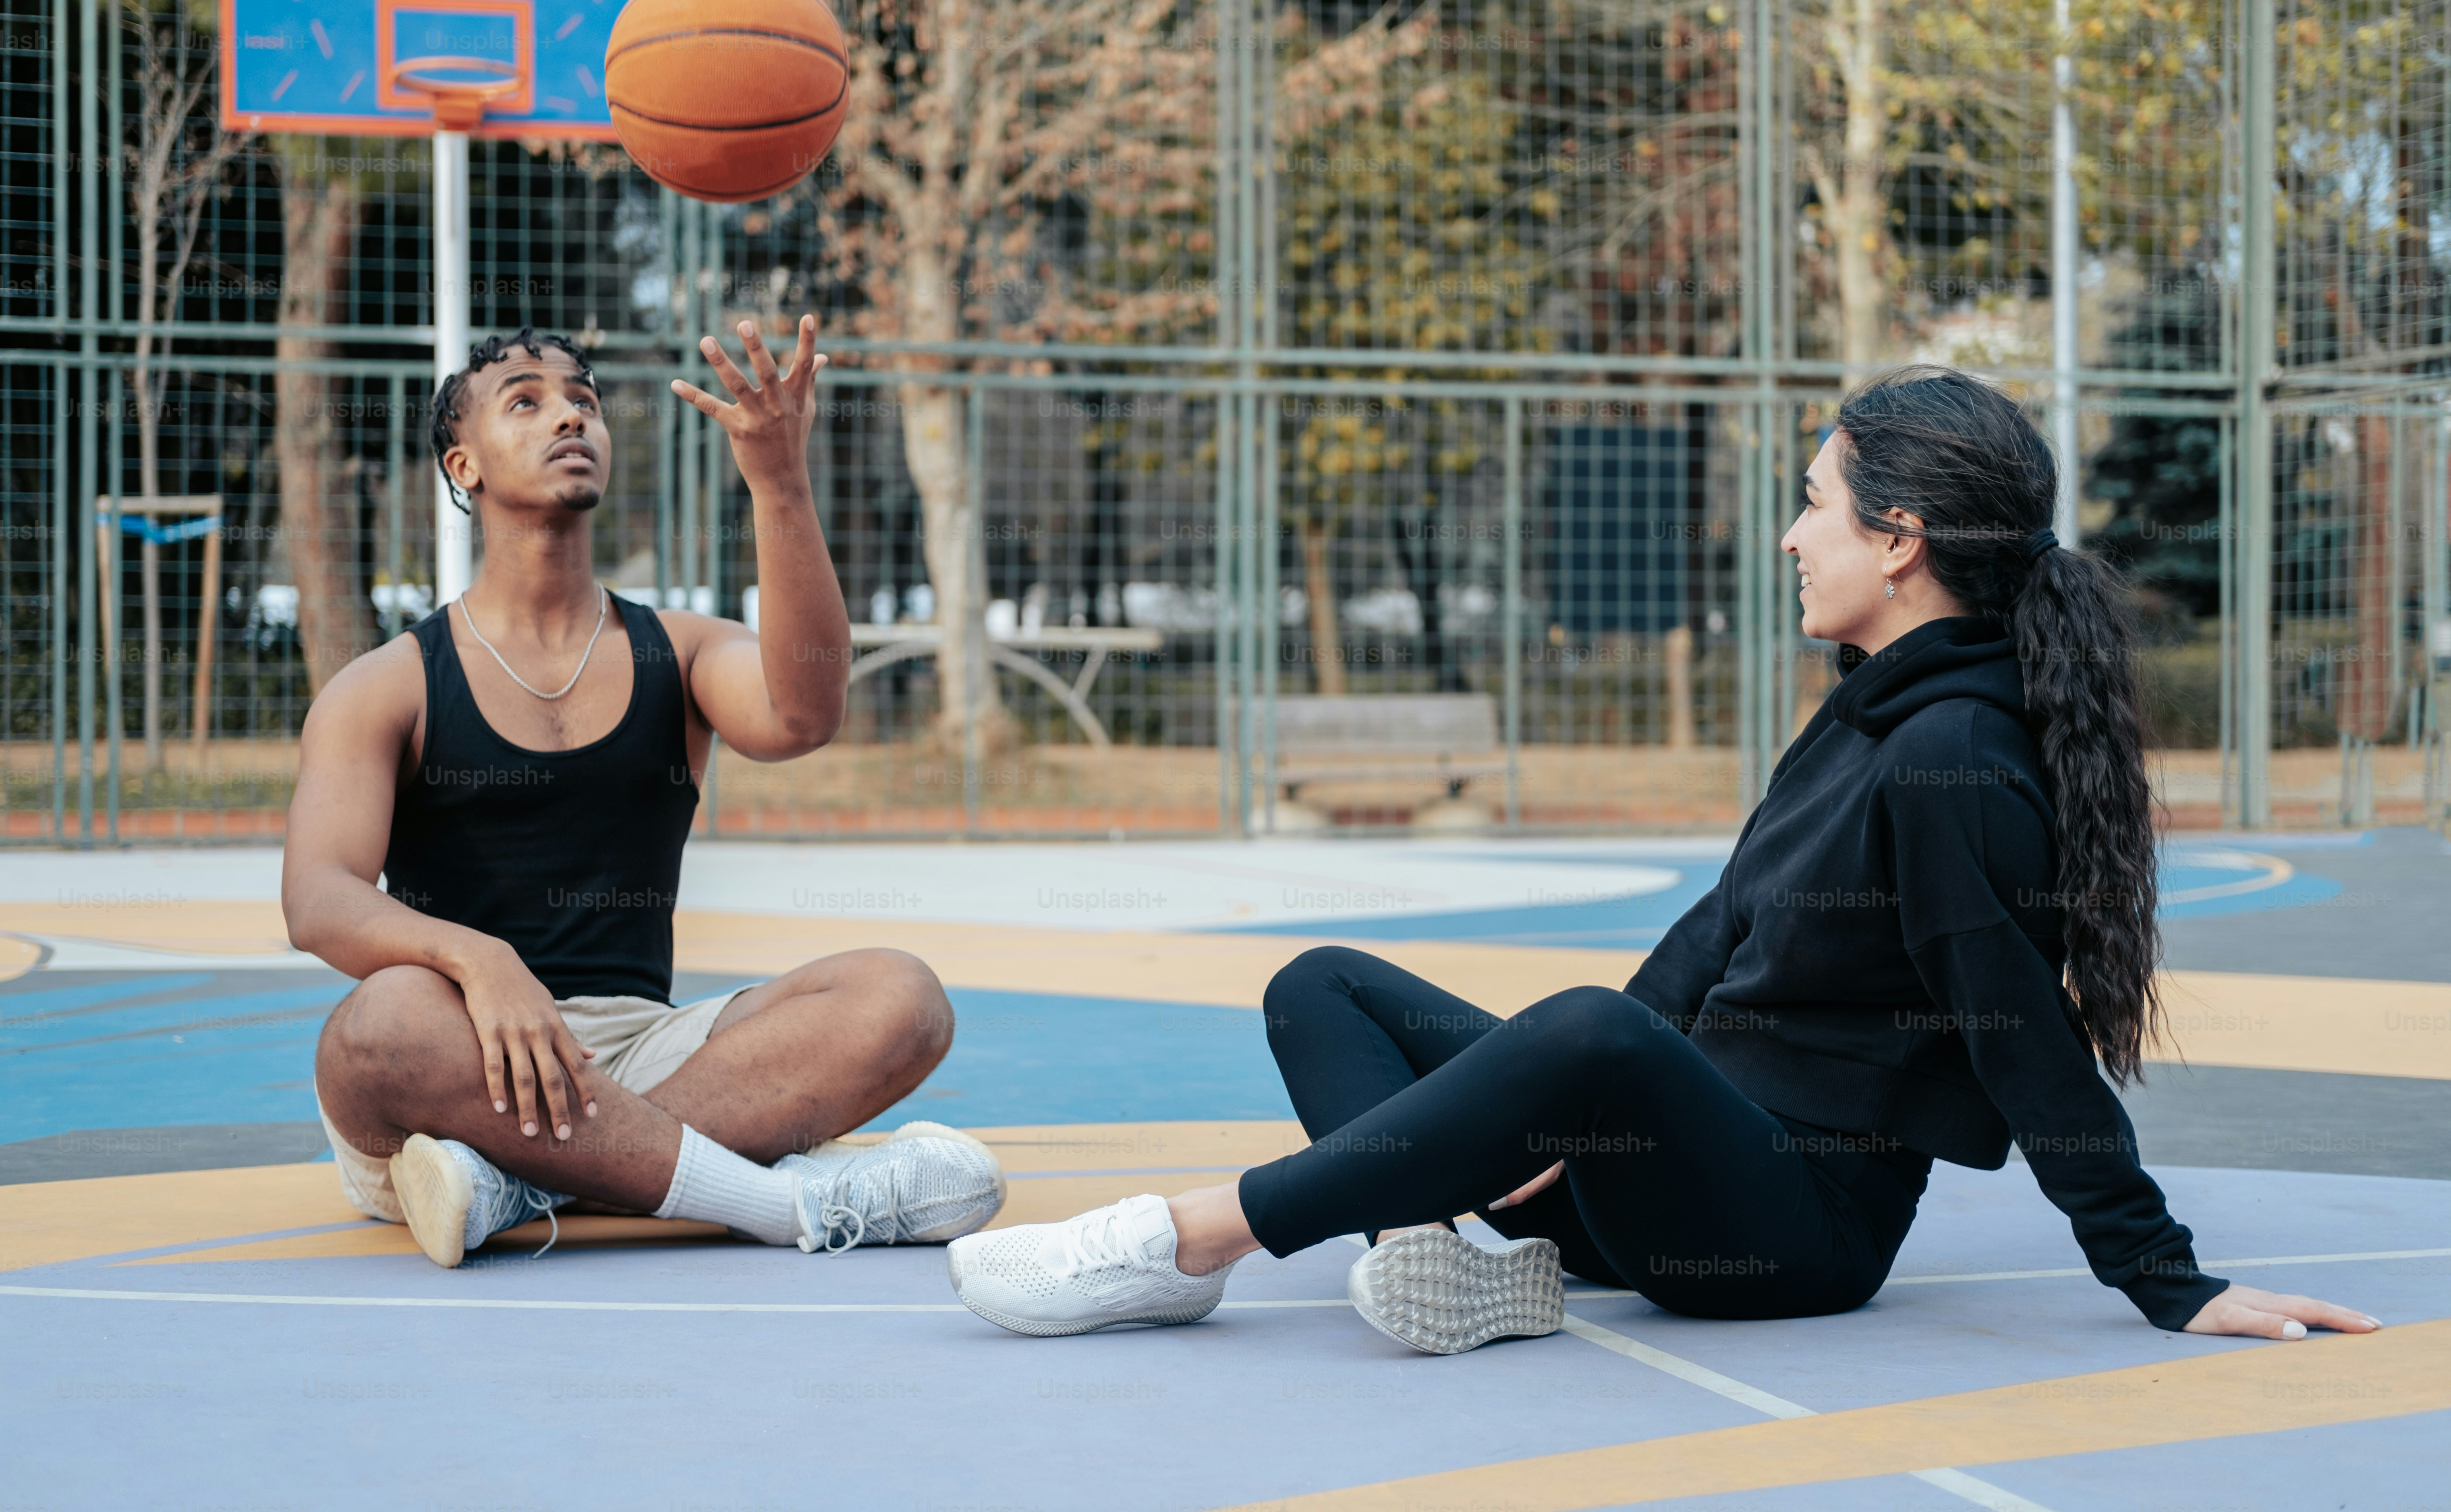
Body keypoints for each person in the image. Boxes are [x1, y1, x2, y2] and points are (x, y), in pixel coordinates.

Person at [948, 367, 2380, 1352]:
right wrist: (1571, 1107)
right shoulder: (1863, 710)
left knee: (1586, 1034)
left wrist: (2160, 1271)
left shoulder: (1956, 754)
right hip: (1675, 1159)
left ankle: (1185, 1243)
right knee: (1324, 984)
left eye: (1814, 502)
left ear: (1900, 539)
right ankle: (1463, 1265)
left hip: (1788, 1228)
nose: (1787, 532)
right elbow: (1711, 933)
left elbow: (2018, 1025)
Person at [288, 320, 1003, 1269]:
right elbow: (319, 899)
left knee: (902, 997)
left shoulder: (681, 649)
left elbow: (805, 712)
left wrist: (779, 480)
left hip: (645, 1054)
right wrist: (481, 962)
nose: (570, 415)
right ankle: (773, 1204)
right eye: (527, 402)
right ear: (464, 466)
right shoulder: (387, 684)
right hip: (460, 1065)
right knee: (378, 1024)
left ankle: (515, 1185)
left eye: (583, 399)